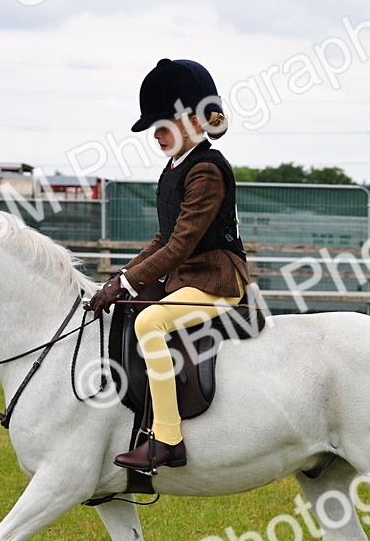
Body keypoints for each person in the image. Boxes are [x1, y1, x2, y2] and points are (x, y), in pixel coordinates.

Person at [87, 59, 251, 472]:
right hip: (188, 277)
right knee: (133, 309)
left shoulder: (208, 170)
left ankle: (168, 440)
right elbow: (163, 238)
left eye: (163, 125)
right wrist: (119, 280)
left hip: (217, 281)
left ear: (195, 120)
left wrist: (124, 283)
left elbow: (180, 245)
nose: (156, 135)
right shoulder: (174, 168)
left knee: (149, 323)